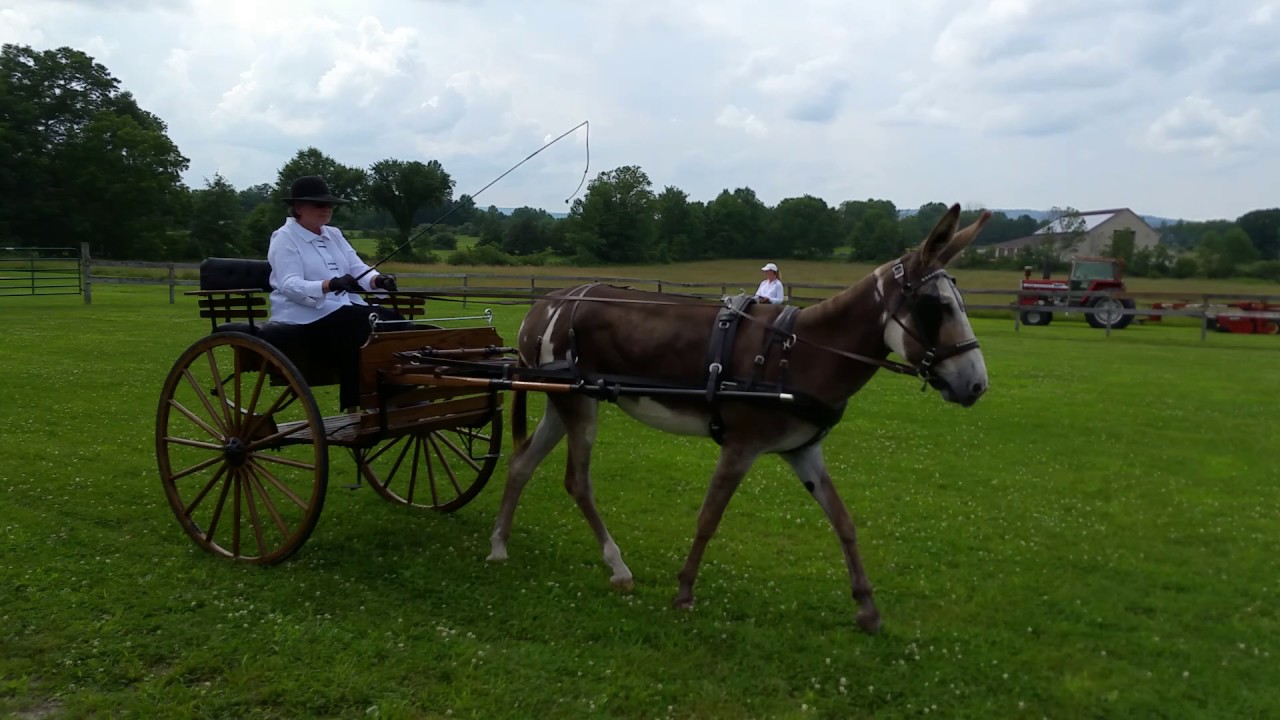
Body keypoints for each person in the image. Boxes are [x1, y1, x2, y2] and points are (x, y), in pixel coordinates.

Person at [266, 175, 401, 410]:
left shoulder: (334, 234)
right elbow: (289, 284)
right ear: (298, 207)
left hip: (343, 309)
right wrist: (329, 284)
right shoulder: (284, 238)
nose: (326, 209)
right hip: (303, 314)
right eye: (319, 204)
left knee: (394, 320)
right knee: (360, 323)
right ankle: (358, 397)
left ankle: (394, 387)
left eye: (329, 205)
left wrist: (377, 280)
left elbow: (358, 268)